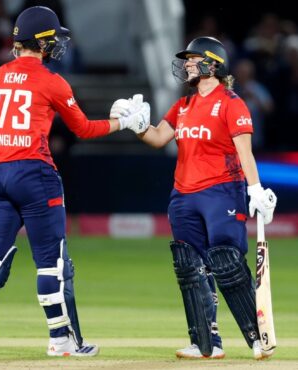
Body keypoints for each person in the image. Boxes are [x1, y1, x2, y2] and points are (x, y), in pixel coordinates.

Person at [0, 6, 149, 356]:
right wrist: (125, 123)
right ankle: (60, 339)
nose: (57, 45)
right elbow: (82, 129)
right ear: (42, 42)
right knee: (51, 261)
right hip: (34, 174)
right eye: (53, 38)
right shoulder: (52, 80)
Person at [110, 36, 277, 360]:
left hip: (221, 191)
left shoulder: (231, 103)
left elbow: (245, 151)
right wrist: (137, 125)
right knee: (189, 267)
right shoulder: (183, 105)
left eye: (192, 58)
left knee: (226, 262)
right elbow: (159, 138)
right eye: (186, 59)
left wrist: (254, 188)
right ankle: (206, 343)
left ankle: (258, 337)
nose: (186, 63)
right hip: (183, 196)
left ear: (212, 64)